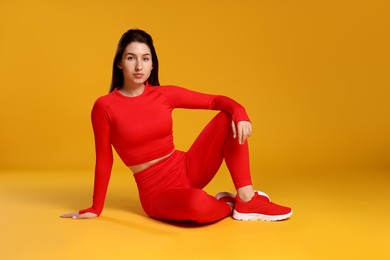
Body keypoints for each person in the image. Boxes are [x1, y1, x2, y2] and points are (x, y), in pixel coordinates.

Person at [61, 29, 292, 223]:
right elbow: (104, 158)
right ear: (120, 63)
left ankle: (247, 198)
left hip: (188, 168)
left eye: (145, 58)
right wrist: (95, 207)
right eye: (131, 58)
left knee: (228, 117)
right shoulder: (104, 106)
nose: (139, 66)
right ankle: (228, 204)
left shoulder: (164, 95)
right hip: (156, 193)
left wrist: (240, 112)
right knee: (197, 204)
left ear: (153, 64)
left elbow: (214, 101)